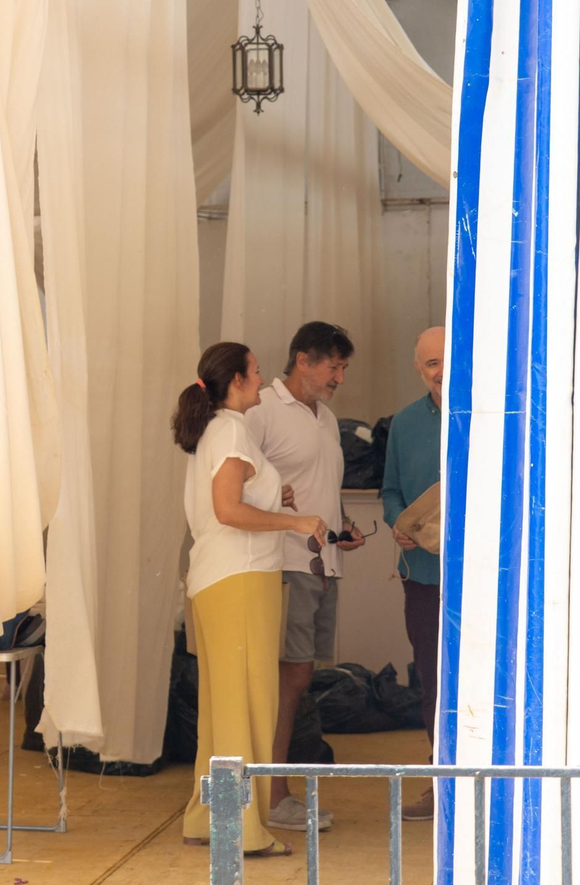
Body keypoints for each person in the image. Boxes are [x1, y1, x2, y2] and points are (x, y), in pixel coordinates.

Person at [176, 342, 327, 857]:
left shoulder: (216, 431)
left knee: (223, 711)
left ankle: (209, 818)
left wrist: (272, 494)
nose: (262, 382)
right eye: (257, 373)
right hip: (239, 580)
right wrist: (295, 520)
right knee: (244, 707)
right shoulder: (234, 430)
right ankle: (236, 827)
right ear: (236, 381)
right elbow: (227, 511)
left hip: (221, 581)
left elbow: (232, 500)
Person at [245, 321, 364, 832]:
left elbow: (319, 487)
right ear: (301, 359)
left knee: (298, 677)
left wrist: (343, 527)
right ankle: (272, 796)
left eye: (343, 368)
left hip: (322, 563)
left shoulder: (327, 418)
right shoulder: (262, 411)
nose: (339, 377)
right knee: (285, 678)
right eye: (332, 365)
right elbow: (236, 486)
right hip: (283, 563)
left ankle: (274, 791)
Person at [380, 325, 444, 822]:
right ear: (418, 370)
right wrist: (397, 524)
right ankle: (441, 782)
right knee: (432, 678)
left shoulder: (493, 416)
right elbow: (390, 490)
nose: (441, 371)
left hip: (488, 578)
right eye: (431, 364)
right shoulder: (404, 423)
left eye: (447, 359)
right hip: (422, 572)